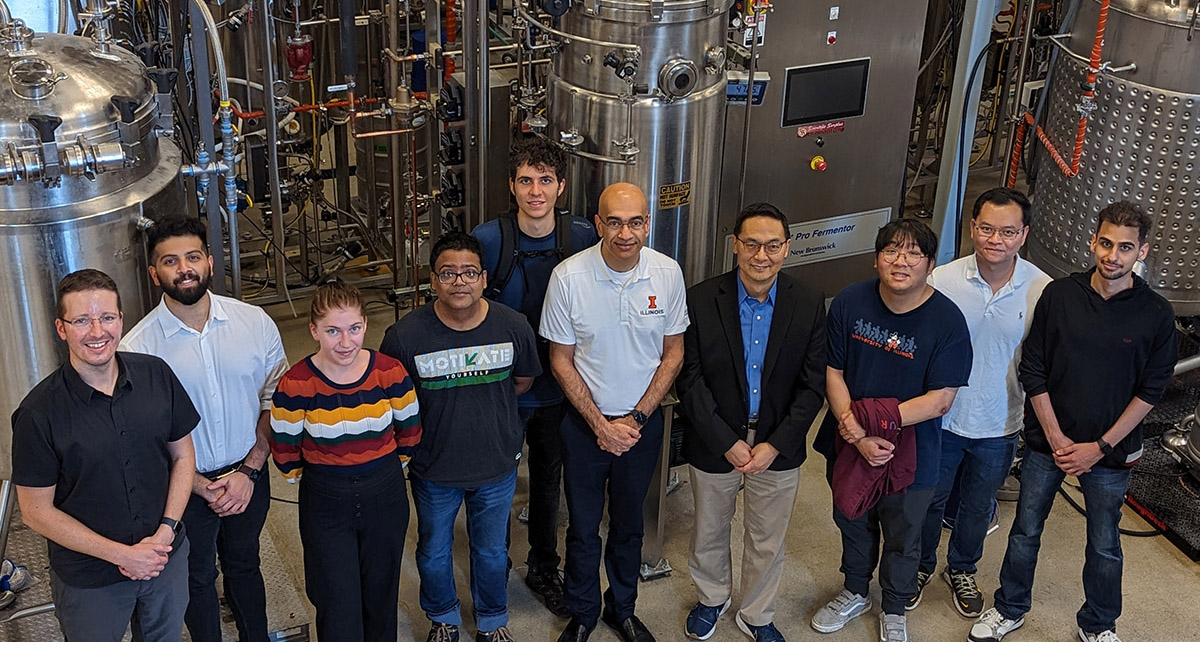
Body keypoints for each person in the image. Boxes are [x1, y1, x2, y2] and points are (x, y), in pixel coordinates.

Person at [969, 201, 1177, 643]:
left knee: (1104, 543)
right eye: (1105, 243)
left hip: (1111, 454)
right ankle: (1009, 607)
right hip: (1049, 447)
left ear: (1142, 252)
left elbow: (1150, 392)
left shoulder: (1156, 314)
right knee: (1025, 530)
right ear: (1092, 241)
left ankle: (1099, 624)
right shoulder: (1060, 295)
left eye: (1125, 247)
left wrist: (1098, 447)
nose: (1112, 256)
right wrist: (1057, 437)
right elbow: (1034, 370)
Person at [121, 215, 288, 641]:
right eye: (170, 261)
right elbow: (139, 437)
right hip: (181, 487)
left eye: (192, 257)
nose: (184, 268)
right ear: (153, 272)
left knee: (244, 563)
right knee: (195, 578)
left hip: (248, 475)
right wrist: (195, 484)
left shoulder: (255, 323)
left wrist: (250, 471)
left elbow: (276, 403)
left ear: (210, 262)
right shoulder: (137, 348)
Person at [11, 269, 199, 641]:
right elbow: (35, 511)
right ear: (61, 328)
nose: (97, 332)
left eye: (107, 318)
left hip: (165, 559)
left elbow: (183, 457)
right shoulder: (38, 413)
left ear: (121, 320)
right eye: (82, 320)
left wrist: (164, 534)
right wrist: (122, 555)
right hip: (90, 580)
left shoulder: (156, 375)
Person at [540, 182, 689, 642]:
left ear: (648, 223)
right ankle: (583, 612)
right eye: (615, 222)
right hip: (586, 428)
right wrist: (600, 425)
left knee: (629, 527)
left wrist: (637, 420)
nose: (626, 233)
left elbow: (674, 354)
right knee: (583, 530)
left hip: (641, 429)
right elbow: (560, 360)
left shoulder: (667, 274)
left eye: (636, 221)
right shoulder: (568, 278)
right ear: (599, 223)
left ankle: (620, 608)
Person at [811, 219, 972, 642]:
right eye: (891, 251)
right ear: (876, 257)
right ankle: (854, 591)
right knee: (853, 520)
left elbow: (940, 399)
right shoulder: (850, 301)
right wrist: (853, 431)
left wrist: (875, 427)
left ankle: (895, 606)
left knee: (904, 535)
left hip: (913, 451)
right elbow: (833, 370)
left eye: (913, 253)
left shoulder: (948, 321)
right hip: (850, 441)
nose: (901, 261)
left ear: (930, 264)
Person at [675, 203, 827, 642]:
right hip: (715, 438)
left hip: (778, 443)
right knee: (708, 528)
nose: (762, 255)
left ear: (787, 248)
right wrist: (726, 441)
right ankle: (712, 598)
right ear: (735, 246)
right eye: (752, 244)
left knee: (767, 538)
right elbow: (691, 378)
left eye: (773, 245)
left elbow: (813, 384)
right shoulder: (702, 299)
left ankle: (757, 614)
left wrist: (775, 444)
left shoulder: (808, 301)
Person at [381, 231, 541, 642]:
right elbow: (394, 401)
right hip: (434, 467)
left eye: (469, 272)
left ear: (484, 278)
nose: (459, 281)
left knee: (490, 552)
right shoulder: (405, 337)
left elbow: (522, 381)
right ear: (433, 280)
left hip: (497, 465)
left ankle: (491, 619)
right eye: (448, 273)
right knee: (433, 552)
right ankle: (443, 617)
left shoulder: (513, 326)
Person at [471, 139, 598, 616]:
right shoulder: (489, 239)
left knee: (548, 479)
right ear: (512, 186)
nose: (536, 191)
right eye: (526, 180)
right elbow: (464, 304)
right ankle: (494, 568)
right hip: (501, 389)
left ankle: (545, 566)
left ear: (561, 187)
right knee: (497, 481)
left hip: (559, 387)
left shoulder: (582, 236)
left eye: (546, 180)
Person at [912, 189, 1051, 618]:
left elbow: (1042, 360)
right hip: (942, 419)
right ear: (972, 228)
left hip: (1000, 422)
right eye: (987, 229)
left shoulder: (1041, 288)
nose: (996, 240)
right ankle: (918, 567)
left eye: (1008, 232)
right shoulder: (943, 281)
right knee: (930, 500)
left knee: (977, 505)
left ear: (1023, 235)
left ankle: (962, 569)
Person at [268, 279, 421, 641]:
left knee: (382, 592)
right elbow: (285, 450)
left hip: (384, 491)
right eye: (333, 331)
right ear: (313, 330)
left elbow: (410, 431)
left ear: (365, 324)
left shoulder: (389, 372)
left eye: (354, 329)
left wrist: (379, 466)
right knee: (336, 598)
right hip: (325, 498)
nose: (346, 342)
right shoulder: (296, 383)